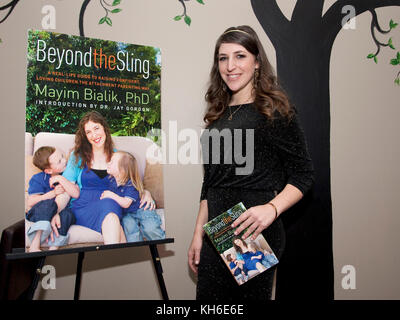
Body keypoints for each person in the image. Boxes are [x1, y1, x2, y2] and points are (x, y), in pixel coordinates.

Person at [188, 25, 314, 300]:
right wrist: (198, 233)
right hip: (217, 230)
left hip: (252, 230)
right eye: (223, 58)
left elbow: (304, 175)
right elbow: (210, 182)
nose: (230, 66)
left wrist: (272, 209)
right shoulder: (218, 115)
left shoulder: (274, 112)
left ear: (257, 62)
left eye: (240, 56)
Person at [54, 111, 156, 245]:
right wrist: (55, 212)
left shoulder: (117, 156)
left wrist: (145, 193)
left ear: (104, 128)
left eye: (96, 128)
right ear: (85, 136)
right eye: (88, 132)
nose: (94, 135)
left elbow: (129, 181)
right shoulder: (77, 156)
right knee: (112, 215)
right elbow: (66, 190)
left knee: (111, 210)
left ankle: (116, 258)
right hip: (83, 205)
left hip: (111, 202)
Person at [102, 151, 165, 242]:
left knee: (151, 229)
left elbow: (126, 203)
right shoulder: (111, 181)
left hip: (142, 209)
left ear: (122, 169)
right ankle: (137, 252)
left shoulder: (130, 184)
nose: (108, 163)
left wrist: (111, 195)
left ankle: (164, 239)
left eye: (111, 162)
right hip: (127, 214)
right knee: (130, 233)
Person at [26, 146, 76, 252]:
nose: (64, 160)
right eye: (59, 161)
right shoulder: (38, 179)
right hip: (40, 213)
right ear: (48, 170)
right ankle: (34, 245)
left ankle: (53, 248)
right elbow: (31, 202)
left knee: (68, 214)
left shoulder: (67, 176)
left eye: (62, 156)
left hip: (60, 211)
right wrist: (52, 193)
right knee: (48, 203)